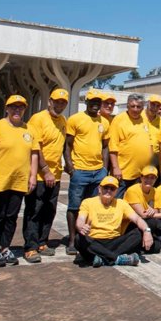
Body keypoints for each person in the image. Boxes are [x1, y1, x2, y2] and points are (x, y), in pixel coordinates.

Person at [0, 94, 40, 267]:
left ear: (25, 109)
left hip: (19, 181)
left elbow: (34, 154)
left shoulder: (29, 130)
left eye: (20, 107)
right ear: (7, 108)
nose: (17, 109)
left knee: (11, 216)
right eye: (13, 106)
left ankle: (5, 247)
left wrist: (33, 176)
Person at [23, 88, 68, 263]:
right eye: (57, 101)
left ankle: (42, 242)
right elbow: (36, 147)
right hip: (41, 176)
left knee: (49, 210)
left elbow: (62, 146)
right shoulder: (38, 119)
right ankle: (31, 247)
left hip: (55, 176)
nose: (59, 105)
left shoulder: (63, 120)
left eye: (63, 102)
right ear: (49, 101)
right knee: (34, 211)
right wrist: (46, 170)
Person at [64, 90, 110, 256]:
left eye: (98, 101)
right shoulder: (75, 119)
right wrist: (70, 167)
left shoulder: (104, 122)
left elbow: (105, 146)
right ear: (86, 101)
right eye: (92, 101)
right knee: (75, 206)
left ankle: (87, 237)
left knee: (93, 206)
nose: (95, 104)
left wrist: (105, 168)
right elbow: (68, 145)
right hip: (80, 171)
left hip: (98, 172)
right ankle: (72, 240)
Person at [76, 176, 154, 267]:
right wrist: (82, 226)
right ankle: (117, 259)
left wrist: (147, 231)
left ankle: (102, 259)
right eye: (105, 187)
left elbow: (137, 219)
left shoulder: (121, 203)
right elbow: (80, 219)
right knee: (78, 239)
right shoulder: (88, 202)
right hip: (94, 240)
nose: (108, 190)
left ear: (116, 191)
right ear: (99, 189)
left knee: (139, 233)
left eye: (112, 188)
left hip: (114, 241)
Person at [124, 165, 161, 251]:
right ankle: (155, 239)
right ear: (141, 177)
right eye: (146, 177)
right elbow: (143, 214)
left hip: (147, 222)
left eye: (152, 178)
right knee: (151, 222)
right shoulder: (132, 190)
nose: (149, 180)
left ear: (156, 179)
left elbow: (156, 211)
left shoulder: (155, 191)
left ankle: (158, 239)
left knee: (159, 243)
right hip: (130, 224)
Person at [108, 93, 153, 198]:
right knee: (117, 201)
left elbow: (149, 141)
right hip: (124, 173)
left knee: (135, 202)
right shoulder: (119, 120)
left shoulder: (144, 119)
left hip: (141, 173)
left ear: (143, 108)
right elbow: (113, 146)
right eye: (132, 106)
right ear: (127, 106)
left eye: (139, 106)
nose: (135, 109)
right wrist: (115, 168)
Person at [143, 94, 161, 167]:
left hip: (155, 159)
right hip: (139, 157)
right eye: (152, 104)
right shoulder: (138, 116)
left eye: (158, 106)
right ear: (148, 103)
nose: (155, 108)